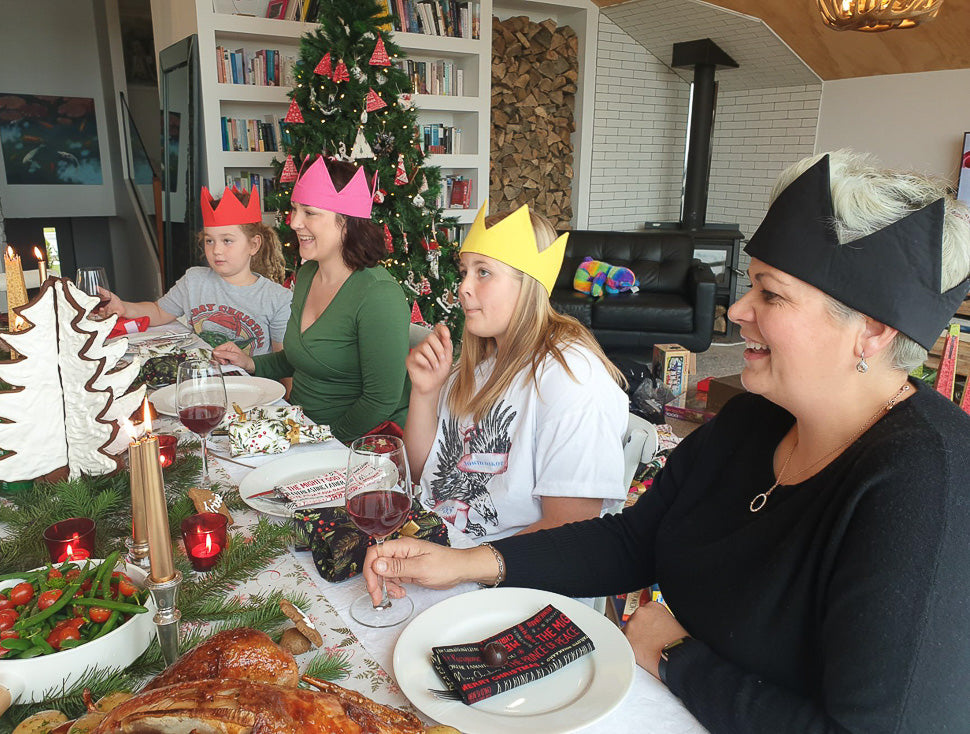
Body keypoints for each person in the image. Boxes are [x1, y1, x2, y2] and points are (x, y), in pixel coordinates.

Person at [363, 151, 970, 732]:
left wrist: (677, 655)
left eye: (771, 293)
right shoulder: (754, 420)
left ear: (872, 330)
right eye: (749, 286)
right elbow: (634, 539)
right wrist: (473, 562)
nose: (736, 312)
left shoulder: (926, 484)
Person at [405, 202, 629, 540]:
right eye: (465, 271)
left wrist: (455, 566)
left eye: (483, 272)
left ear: (528, 286)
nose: (463, 287)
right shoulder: (481, 363)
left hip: (506, 577)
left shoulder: (573, 379)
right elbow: (428, 476)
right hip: (437, 540)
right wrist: (425, 393)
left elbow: (571, 531)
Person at [213, 156, 411, 443]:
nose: (294, 222)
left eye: (309, 212)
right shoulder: (307, 274)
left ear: (346, 222)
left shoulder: (378, 295)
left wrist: (323, 442)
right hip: (301, 427)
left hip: (355, 444)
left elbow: (381, 400)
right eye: (294, 209)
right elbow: (302, 357)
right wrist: (251, 363)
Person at [100, 186, 291, 356]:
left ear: (254, 245)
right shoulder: (194, 280)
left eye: (227, 241)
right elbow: (159, 312)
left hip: (253, 388)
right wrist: (124, 307)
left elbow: (281, 362)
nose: (216, 250)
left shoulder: (277, 299)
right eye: (210, 240)